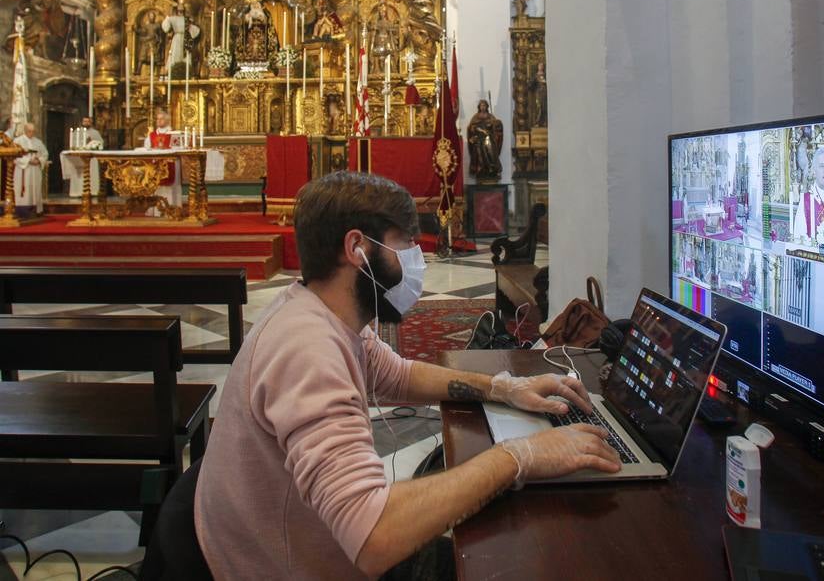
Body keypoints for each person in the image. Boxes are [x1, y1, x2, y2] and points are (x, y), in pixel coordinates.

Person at [194, 172, 620, 580]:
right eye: (406, 245)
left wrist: (502, 388)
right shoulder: (308, 349)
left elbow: (397, 374)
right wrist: (522, 455)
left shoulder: (318, 312)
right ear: (357, 248)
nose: (417, 261)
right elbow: (374, 535)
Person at [144, 110, 182, 210]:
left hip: (169, 163)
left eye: (161, 119)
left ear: (167, 120)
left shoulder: (173, 133)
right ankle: (156, 209)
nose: (159, 121)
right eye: (158, 119)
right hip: (155, 164)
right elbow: (146, 147)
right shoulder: (152, 135)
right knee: (156, 186)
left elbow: (177, 149)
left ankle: (171, 208)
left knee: (170, 187)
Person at [13, 123, 49, 215]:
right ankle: (22, 211)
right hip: (24, 170)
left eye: (33, 131)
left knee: (35, 189)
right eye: (29, 131)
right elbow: (14, 156)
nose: (31, 133)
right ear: (25, 130)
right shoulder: (17, 141)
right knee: (24, 191)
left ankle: (36, 211)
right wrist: (28, 160)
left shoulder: (38, 142)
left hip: (35, 170)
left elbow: (45, 154)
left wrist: (39, 160)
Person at [64, 117, 104, 197]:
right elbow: (73, 143)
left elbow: (100, 144)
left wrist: (92, 143)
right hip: (80, 156)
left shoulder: (95, 132)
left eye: (88, 121)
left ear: (90, 122)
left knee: (92, 174)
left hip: (92, 158)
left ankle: (93, 191)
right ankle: (77, 192)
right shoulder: (77, 132)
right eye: (84, 121)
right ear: (82, 122)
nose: (86, 123)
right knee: (79, 174)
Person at [467, 100, 504, 181]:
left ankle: (492, 167)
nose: (483, 107)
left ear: (487, 106)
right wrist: (479, 130)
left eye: (484, 105)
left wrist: (495, 123)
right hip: (479, 138)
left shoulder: (490, 116)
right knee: (480, 147)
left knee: (490, 148)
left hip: (488, 137)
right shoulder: (476, 117)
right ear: (479, 107)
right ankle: (482, 169)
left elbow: (496, 127)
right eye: (481, 105)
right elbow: (471, 128)